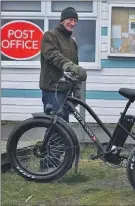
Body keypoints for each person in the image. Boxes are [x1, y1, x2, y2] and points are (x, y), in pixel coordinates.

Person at [39, 7, 87, 169]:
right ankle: (48, 166)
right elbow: (52, 55)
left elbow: (77, 68)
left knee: (63, 128)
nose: (72, 23)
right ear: (62, 20)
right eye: (70, 20)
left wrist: (78, 90)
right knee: (55, 127)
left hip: (66, 91)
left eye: (75, 21)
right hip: (53, 89)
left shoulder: (71, 42)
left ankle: (56, 163)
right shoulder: (50, 36)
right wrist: (69, 65)